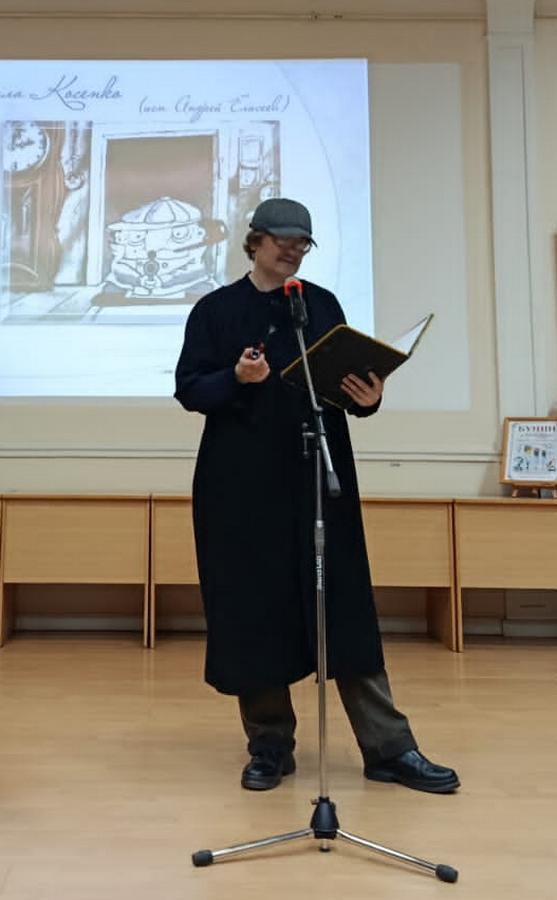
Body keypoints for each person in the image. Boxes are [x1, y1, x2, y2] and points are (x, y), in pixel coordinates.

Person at [174, 198, 460, 795]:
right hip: (241, 485)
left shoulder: (320, 305)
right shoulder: (215, 310)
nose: (293, 250)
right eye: (282, 240)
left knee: (346, 608)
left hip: (319, 477)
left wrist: (368, 397)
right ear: (255, 241)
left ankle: (389, 748)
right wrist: (236, 378)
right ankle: (269, 746)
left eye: (302, 242)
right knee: (253, 610)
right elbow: (191, 389)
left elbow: (345, 390)